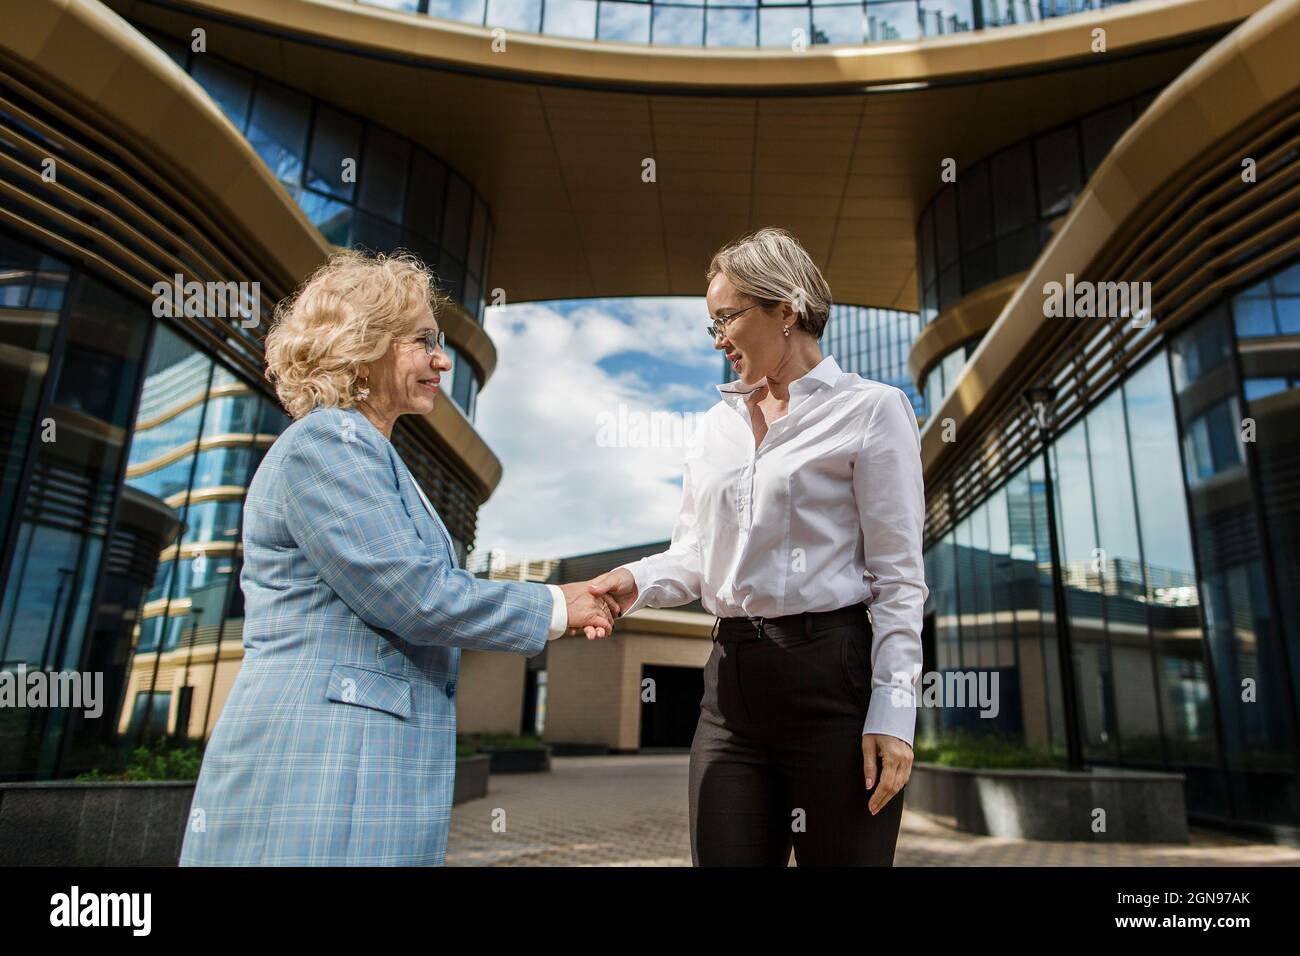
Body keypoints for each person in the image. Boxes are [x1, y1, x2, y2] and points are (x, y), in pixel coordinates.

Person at [180, 250, 617, 866]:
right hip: (322, 769)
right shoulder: (327, 443)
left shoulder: (367, 452)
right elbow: (416, 594)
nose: (442, 359)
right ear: (362, 346)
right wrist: (557, 602)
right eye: (423, 341)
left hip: (356, 768)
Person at [590, 227, 927, 866]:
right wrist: (633, 581)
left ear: (786, 308)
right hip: (731, 688)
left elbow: (899, 579)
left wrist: (895, 712)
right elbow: (695, 552)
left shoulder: (871, 410)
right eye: (710, 323)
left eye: (727, 318)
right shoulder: (715, 426)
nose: (717, 338)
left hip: (831, 682)